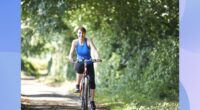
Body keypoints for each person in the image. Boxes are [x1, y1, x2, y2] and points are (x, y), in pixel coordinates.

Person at [68, 26, 100, 110]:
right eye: (79, 33)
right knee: (78, 68)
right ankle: (77, 85)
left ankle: (92, 101)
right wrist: (70, 58)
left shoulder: (88, 41)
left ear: (84, 34)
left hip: (89, 62)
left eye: (82, 33)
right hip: (80, 61)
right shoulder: (74, 42)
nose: (80, 34)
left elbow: (94, 50)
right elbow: (71, 53)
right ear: (77, 34)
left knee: (92, 81)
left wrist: (97, 57)